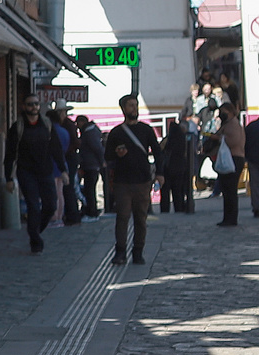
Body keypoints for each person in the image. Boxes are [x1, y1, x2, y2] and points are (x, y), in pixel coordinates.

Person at [104, 94, 164, 265]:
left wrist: (160, 174)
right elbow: (107, 156)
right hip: (123, 181)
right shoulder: (116, 133)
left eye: (135, 105)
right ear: (123, 109)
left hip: (143, 180)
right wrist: (117, 153)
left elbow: (158, 153)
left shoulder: (146, 130)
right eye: (130, 105)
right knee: (122, 217)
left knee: (140, 218)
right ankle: (120, 252)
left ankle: (138, 251)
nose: (134, 108)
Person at [3, 94, 67, 253]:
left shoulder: (46, 125)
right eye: (30, 104)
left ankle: (35, 230)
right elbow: (10, 154)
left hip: (45, 171)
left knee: (51, 205)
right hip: (26, 172)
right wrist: (9, 178)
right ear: (24, 106)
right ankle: (35, 241)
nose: (34, 107)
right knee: (33, 206)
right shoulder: (18, 127)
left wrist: (63, 170)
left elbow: (56, 149)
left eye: (36, 104)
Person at [205, 103, 246, 226]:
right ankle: (227, 217)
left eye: (224, 112)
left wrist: (219, 138)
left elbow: (234, 141)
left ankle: (231, 218)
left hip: (233, 159)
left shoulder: (233, 125)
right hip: (231, 158)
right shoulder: (229, 124)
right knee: (227, 189)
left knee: (230, 189)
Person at [75, 114, 104, 221]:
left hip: (90, 165)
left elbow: (97, 148)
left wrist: (101, 162)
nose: (77, 126)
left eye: (78, 123)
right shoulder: (91, 131)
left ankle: (92, 212)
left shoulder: (89, 133)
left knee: (89, 189)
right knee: (90, 189)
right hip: (91, 164)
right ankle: (91, 210)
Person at [159, 116, 189, 213]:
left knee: (165, 191)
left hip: (167, 169)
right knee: (178, 191)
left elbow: (160, 149)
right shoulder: (182, 140)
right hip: (180, 168)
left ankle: (165, 209)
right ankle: (179, 209)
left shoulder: (168, 139)